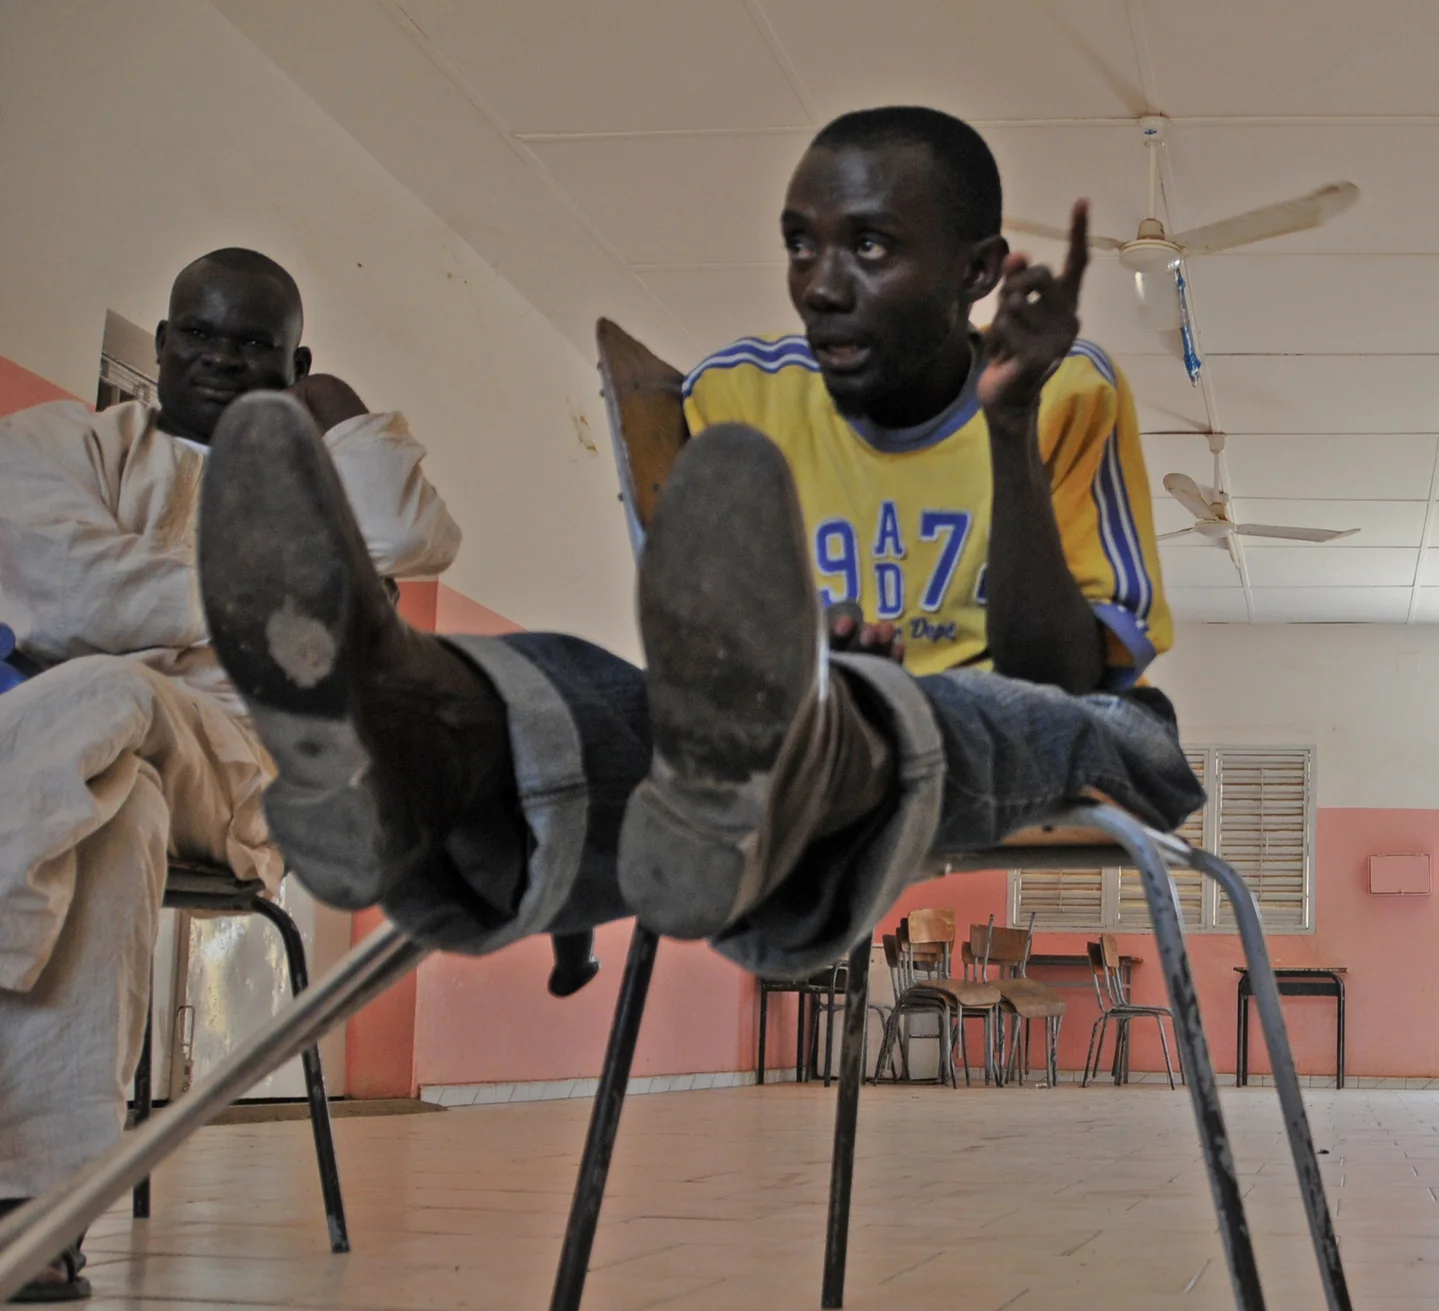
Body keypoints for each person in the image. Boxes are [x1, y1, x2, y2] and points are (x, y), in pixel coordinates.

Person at [194, 108, 1196, 1043]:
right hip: (788, 728)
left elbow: (1060, 679)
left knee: (1029, 724)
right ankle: (419, 716)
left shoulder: (1066, 388)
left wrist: (1010, 426)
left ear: (975, 271)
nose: (819, 285)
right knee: (656, 714)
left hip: (1044, 722)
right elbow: (705, 679)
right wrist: (795, 663)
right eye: (799, 243)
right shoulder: (739, 397)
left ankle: (817, 738)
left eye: (869, 246)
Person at [0, 249, 459, 1298]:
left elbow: (411, 532)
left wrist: (336, 413)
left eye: (255, 345)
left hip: (242, 775)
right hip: (78, 772)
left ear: (295, 365)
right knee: (118, 810)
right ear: (162, 343)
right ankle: (37, 1208)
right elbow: (70, 592)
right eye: (199, 335)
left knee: (104, 689)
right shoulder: (58, 442)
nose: (220, 358)